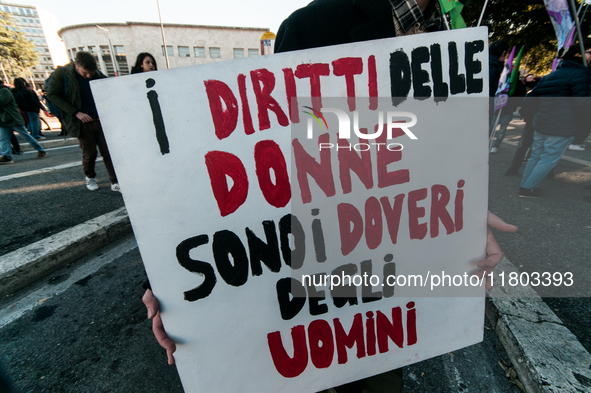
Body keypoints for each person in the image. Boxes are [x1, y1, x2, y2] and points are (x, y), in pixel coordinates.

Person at [142, 2, 518, 391]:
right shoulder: (314, 26)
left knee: (378, 381)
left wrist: (463, 207)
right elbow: (253, 154)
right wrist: (171, 276)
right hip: (316, 263)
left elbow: (437, 144)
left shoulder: (453, 37)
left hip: (392, 274)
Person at [518, 44, 591, 198]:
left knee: (536, 155)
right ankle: (527, 187)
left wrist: (530, 116)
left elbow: (531, 98)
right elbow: (582, 102)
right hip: (561, 126)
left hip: (541, 123)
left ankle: (526, 185)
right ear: (578, 55)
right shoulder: (581, 74)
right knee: (549, 158)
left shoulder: (551, 75)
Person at [46, 51, 120, 192]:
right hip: (81, 122)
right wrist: (75, 112)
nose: (88, 76)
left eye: (91, 72)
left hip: (100, 120)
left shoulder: (97, 75)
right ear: (76, 65)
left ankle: (115, 181)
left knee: (108, 153)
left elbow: (110, 87)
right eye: (85, 73)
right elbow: (52, 94)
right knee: (89, 154)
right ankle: (90, 177)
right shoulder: (62, 74)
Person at [0, 79, 47, 164]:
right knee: (3, 139)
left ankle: (41, 150)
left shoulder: (4, 91)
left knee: (26, 136)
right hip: (3, 120)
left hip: (13, 118)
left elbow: (2, 102)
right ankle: (6, 156)